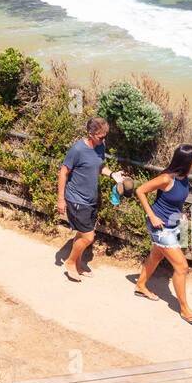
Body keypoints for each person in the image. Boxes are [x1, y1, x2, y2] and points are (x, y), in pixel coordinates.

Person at [132, 144, 192, 325]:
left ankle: (140, 285)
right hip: (160, 227)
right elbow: (140, 191)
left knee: (156, 256)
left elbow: (174, 201)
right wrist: (152, 215)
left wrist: (181, 214)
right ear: (186, 161)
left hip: (173, 224)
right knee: (182, 267)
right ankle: (185, 309)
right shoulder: (166, 178)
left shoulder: (185, 177)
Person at [57, 117, 110, 282]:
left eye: (105, 136)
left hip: (91, 199)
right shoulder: (77, 150)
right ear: (91, 134)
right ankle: (70, 262)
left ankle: (78, 265)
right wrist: (61, 199)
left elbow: (99, 166)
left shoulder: (100, 146)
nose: (104, 140)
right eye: (101, 137)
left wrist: (113, 174)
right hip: (76, 199)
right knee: (88, 237)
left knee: (82, 233)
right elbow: (63, 173)